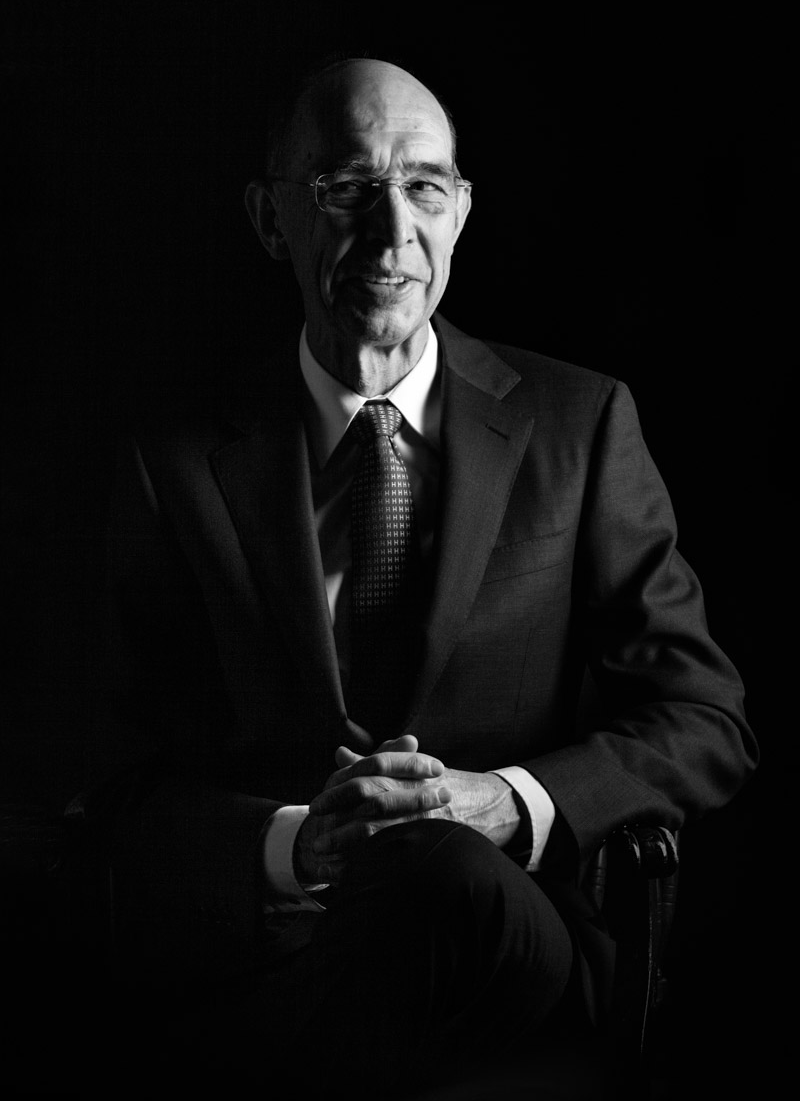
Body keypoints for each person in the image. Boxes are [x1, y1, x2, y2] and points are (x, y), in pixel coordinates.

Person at [97, 56, 756, 1095]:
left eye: (424, 186)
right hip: (279, 944)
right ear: (271, 219)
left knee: (438, 870)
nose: (392, 230)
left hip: (509, 923)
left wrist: (503, 802)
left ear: (461, 212)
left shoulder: (580, 424)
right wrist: (297, 846)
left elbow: (704, 719)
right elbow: (106, 775)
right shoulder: (169, 460)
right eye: (348, 187)